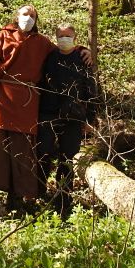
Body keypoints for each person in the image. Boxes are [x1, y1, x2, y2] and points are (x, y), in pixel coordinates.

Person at [0, 4, 56, 213]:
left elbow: (62, 56)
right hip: (3, 98)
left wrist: (81, 50)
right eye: (25, 14)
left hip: (27, 101)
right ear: (17, 16)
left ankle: (15, 201)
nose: (28, 18)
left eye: (32, 15)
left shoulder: (43, 43)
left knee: (23, 152)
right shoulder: (3, 35)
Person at [36, 23, 98, 217]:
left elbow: (92, 91)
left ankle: (64, 200)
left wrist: (90, 119)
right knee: (42, 153)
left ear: (75, 37)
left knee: (68, 158)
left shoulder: (82, 58)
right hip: (47, 114)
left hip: (74, 117)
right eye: (61, 36)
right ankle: (39, 193)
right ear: (56, 37)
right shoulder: (49, 57)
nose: (64, 39)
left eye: (68, 36)